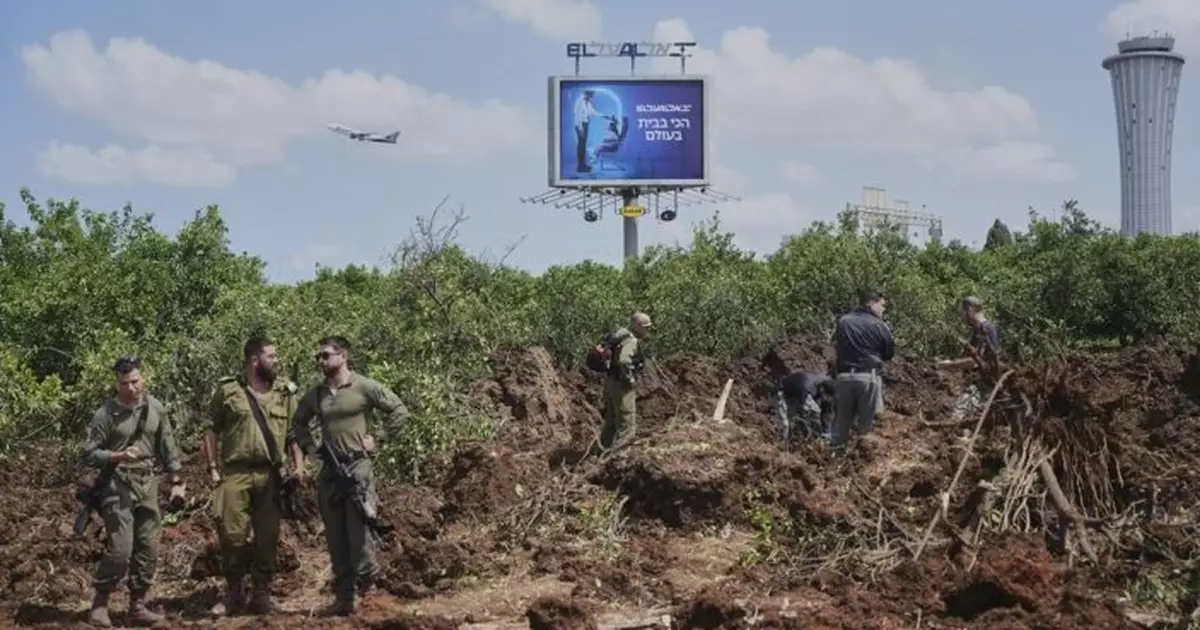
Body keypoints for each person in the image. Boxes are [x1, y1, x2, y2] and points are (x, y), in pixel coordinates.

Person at [288, 336, 410, 617]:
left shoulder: (363, 386)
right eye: (318, 357)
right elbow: (297, 423)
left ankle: (369, 592)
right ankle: (344, 597)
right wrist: (310, 449)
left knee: (359, 533)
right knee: (335, 536)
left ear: (343, 356)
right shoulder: (317, 394)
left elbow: (399, 410)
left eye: (326, 355)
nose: (321, 361)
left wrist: (378, 439)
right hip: (331, 472)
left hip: (357, 468)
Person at [83, 355, 185, 628]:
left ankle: (137, 605)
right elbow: (89, 453)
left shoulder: (156, 408)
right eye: (125, 383)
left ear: (144, 379)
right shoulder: (105, 414)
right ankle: (100, 604)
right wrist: (117, 456)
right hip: (117, 482)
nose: (131, 388)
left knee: (148, 546)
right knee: (120, 549)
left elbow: (168, 445)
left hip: (147, 482)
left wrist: (177, 481)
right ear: (116, 384)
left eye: (135, 381)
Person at [202, 336, 300, 617]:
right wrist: (212, 467)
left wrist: (299, 467)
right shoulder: (228, 391)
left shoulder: (285, 393)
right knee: (231, 535)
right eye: (272, 356)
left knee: (267, 538)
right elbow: (211, 428)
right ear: (254, 360)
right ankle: (234, 593)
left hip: (270, 476)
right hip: (235, 474)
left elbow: (295, 434)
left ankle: (261, 595)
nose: (276, 361)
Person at [830, 289, 895, 452]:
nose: (883, 309)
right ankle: (865, 463)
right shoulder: (880, 325)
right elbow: (889, 353)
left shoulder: (844, 321)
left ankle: (834, 460)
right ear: (872, 303)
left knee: (840, 425)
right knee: (868, 428)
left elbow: (836, 346)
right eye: (882, 305)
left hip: (844, 378)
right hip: (868, 378)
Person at [599, 312, 651, 451]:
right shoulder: (631, 340)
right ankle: (620, 454)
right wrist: (630, 378)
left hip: (610, 382)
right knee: (626, 423)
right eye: (646, 327)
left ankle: (602, 451)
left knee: (611, 421)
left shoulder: (619, 334)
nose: (648, 330)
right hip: (622, 385)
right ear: (638, 325)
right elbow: (624, 360)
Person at [761, 351, 834, 443]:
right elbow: (804, 412)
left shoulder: (828, 387)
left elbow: (827, 412)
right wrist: (813, 433)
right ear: (822, 390)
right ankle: (780, 445)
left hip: (800, 395)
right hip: (785, 393)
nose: (827, 399)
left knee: (815, 413)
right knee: (785, 425)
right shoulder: (807, 386)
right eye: (826, 396)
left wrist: (827, 434)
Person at [937, 296, 1000, 373]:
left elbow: (976, 361)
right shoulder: (978, 330)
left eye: (963, 312)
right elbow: (971, 356)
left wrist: (949, 365)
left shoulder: (987, 330)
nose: (963, 316)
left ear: (970, 309)